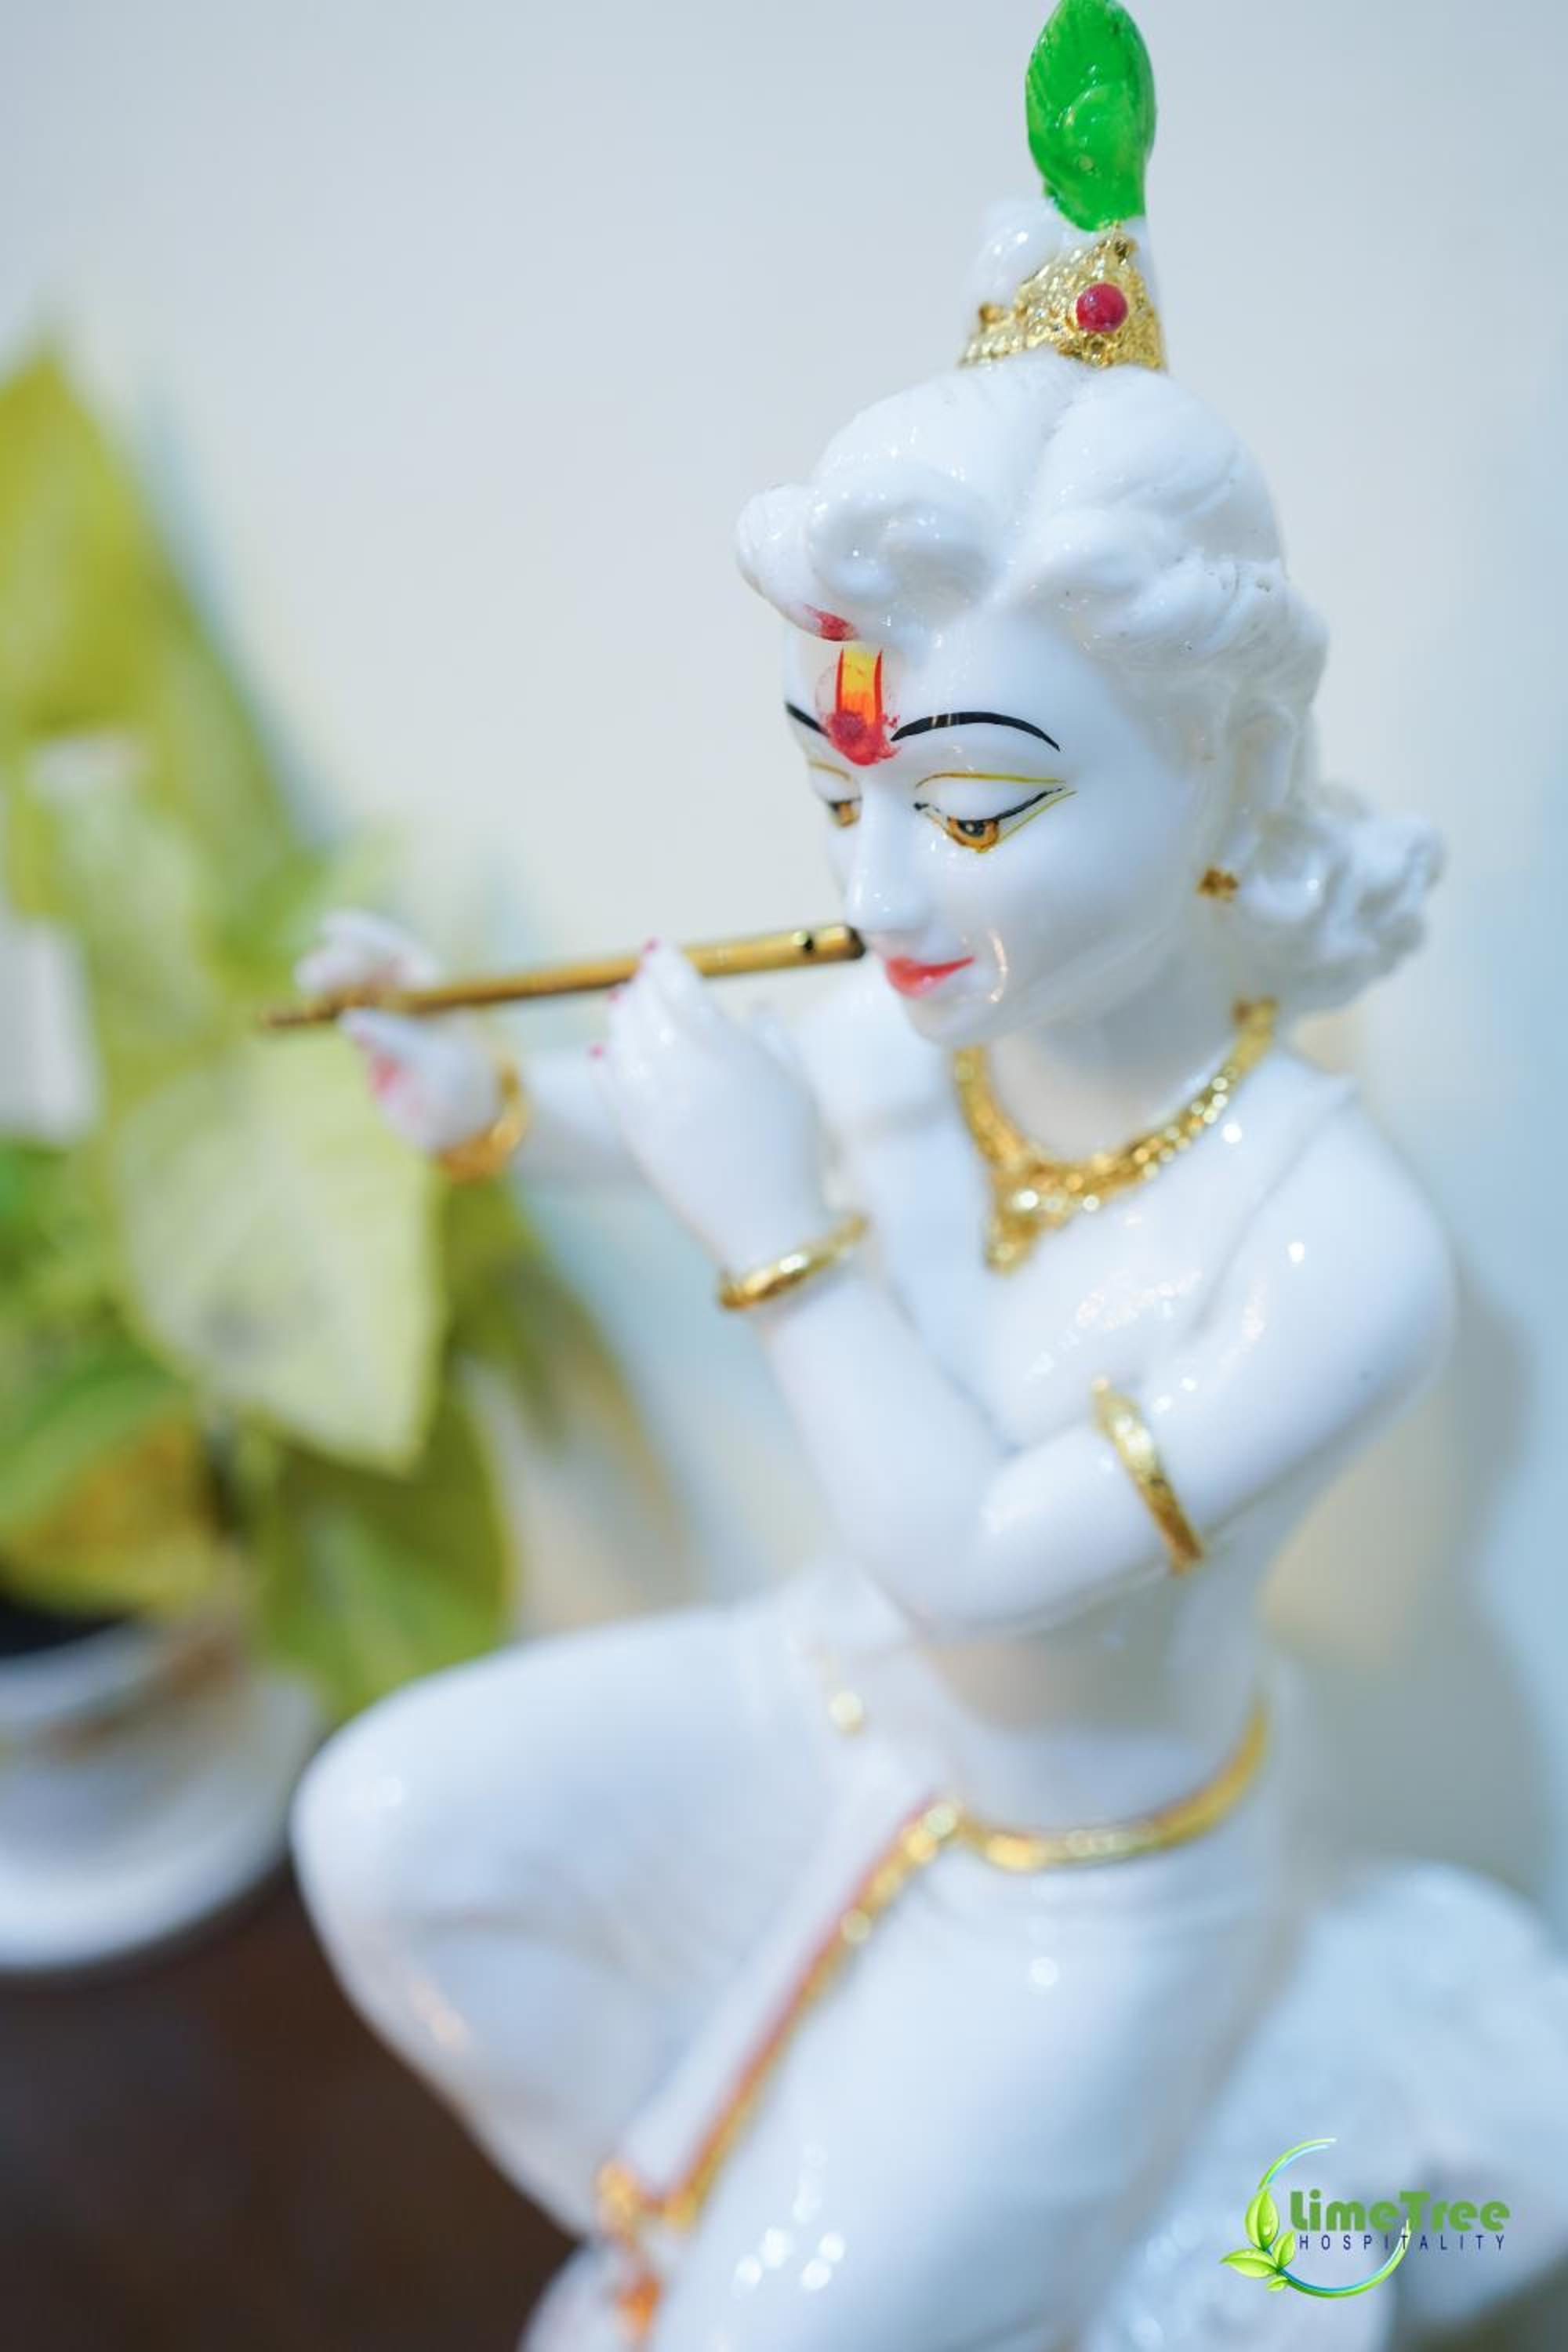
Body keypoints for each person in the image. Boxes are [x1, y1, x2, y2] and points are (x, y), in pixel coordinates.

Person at [291, 7, 1469, 2345]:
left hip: (1090, 1870)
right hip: (834, 1701)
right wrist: (486, 1099)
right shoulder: (933, 1033)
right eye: (843, 793)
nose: (884, 890)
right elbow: (694, 1117)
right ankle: (689, 2225)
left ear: (1228, 782)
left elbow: (977, 1565)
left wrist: (784, 1244)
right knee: (384, 1833)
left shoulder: (1335, 1252)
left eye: (981, 801)